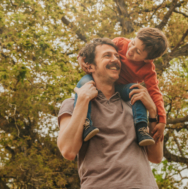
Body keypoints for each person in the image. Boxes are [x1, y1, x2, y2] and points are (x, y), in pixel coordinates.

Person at [57, 38, 163, 188]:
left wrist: (152, 111)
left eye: (117, 56)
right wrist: (82, 100)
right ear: (90, 66)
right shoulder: (72, 105)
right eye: (107, 55)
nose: (115, 60)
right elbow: (68, 151)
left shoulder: (134, 104)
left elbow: (156, 157)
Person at [74, 27, 168, 146]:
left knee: (137, 91)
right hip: (99, 81)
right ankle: (86, 124)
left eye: (138, 52)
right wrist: (81, 57)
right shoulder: (120, 42)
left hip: (120, 89)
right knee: (84, 84)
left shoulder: (148, 70)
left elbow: (155, 92)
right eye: (133, 42)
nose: (131, 49)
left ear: (148, 59)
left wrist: (162, 121)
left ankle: (141, 128)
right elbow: (98, 50)